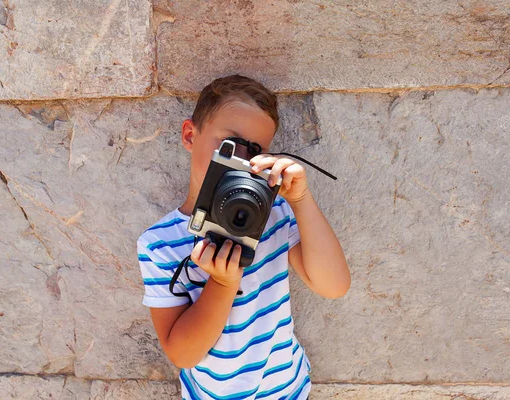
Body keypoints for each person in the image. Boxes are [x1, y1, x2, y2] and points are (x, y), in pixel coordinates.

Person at [137, 74, 351, 399]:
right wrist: (222, 285)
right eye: (229, 145)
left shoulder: (275, 215)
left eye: (256, 153)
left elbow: (334, 286)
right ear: (190, 136)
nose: (241, 162)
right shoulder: (159, 244)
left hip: (288, 390)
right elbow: (182, 355)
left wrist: (300, 200)